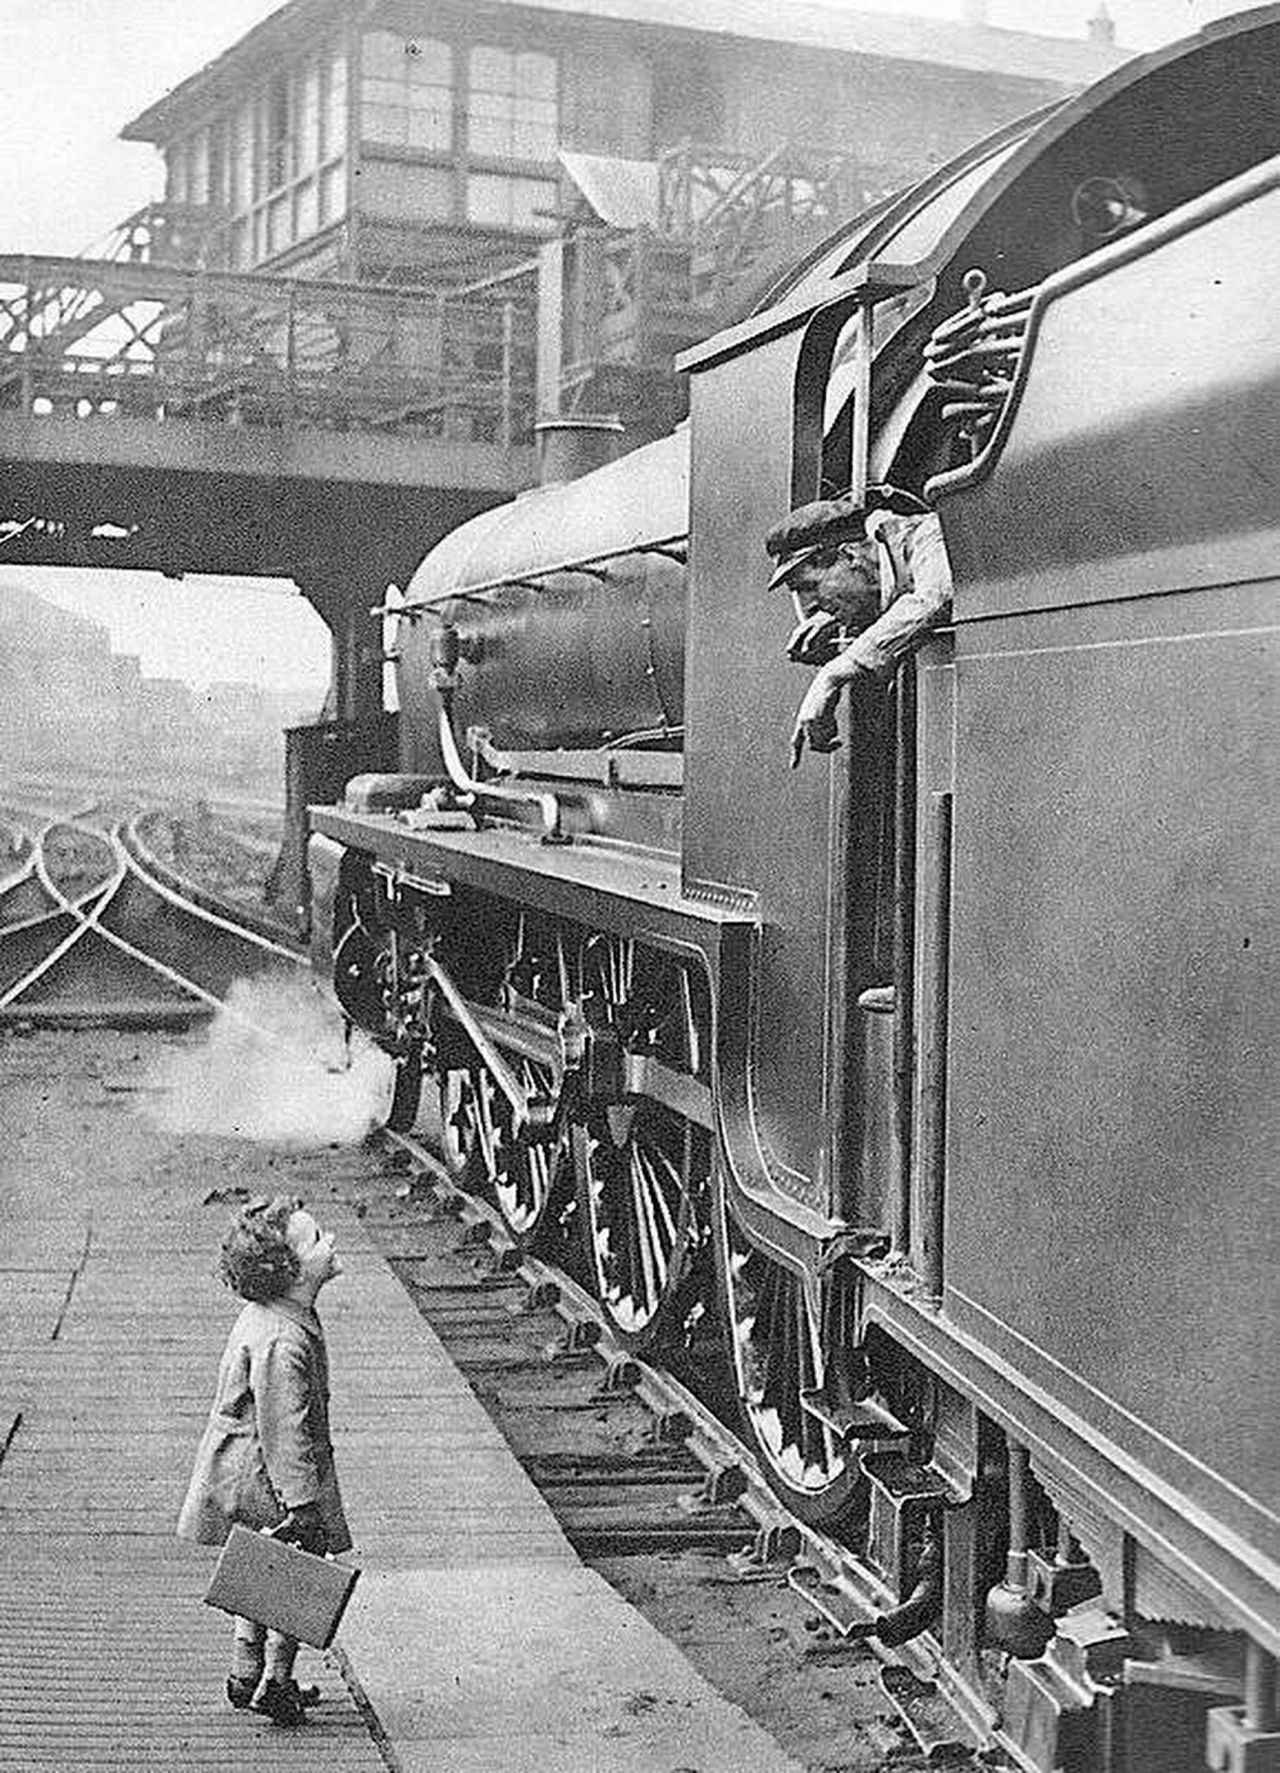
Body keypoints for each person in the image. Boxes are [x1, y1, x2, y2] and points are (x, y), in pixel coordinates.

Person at [177, 1195, 351, 1726]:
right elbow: (284, 1428)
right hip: (269, 1477)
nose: (332, 1242)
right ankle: (276, 1682)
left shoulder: (276, 1317)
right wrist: (302, 1503)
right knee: (289, 1577)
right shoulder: (284, 1338)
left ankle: (243, 1673)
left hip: (246, 1468)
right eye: (318, 1238)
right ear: (291, 1270)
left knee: (257, 1573)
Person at [764, 488, 954, 766]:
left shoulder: (931, 535)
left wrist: (832, 674)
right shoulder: (876, 564)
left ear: (850, 555)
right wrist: (839, 618)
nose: (810, 606)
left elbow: (936, 595)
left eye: (810, 587)